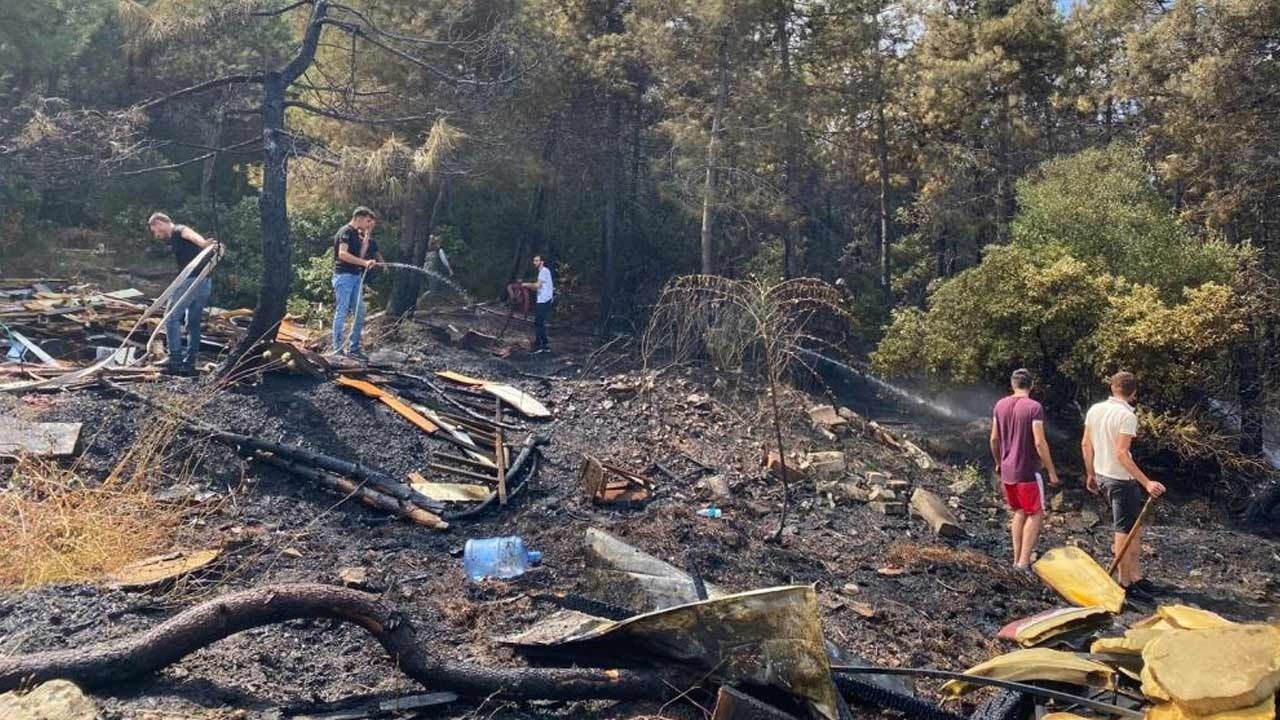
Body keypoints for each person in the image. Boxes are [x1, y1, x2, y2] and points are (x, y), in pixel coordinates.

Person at [1082, 371, 1166, 597]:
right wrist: (1147, 482)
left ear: (1112, 387)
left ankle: (1136, 576)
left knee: (1134, 528)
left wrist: (1090, 474)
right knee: (1124, 530)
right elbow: (1121, 453)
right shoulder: (1127, 416)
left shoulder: (1095, 410)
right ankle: (1124, 582)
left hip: (1103, 474)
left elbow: (1085, 444)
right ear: (1134, 393)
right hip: (1120, 479)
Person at [990, 368, 1061, 570]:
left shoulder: (1000, 405)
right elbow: (1039, 442)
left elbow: (994, 438)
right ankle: (1023, 562)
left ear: (1013, 384)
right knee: (1035, 513)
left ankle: (1016, 559)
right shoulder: (1034, 408)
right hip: (1028, 470)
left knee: (1019, 512)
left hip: (1007, 471)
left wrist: (998, 461)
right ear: (1032, 385)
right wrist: (1052, 471)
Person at [148, 213, 218, 375]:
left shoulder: (178, 230)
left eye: (155, 231)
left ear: (159, 223)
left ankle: (175, 360)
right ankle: (190, 362)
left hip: (191, 280)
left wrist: (203, 243)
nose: (156, 235)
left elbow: (189, 233)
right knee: (192, 323)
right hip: (205, 282)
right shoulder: (174, 238)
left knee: (171, 317)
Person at [331, 206, 382, 360]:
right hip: (344, 277)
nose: (368, 224)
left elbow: (360, 254)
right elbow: (342, 254)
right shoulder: (345, 231)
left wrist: (368, 234)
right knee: (342, 312)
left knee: (359, 312)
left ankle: (354, 348)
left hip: (355, 277)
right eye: (367, 221)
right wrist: (363, 262)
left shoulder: (356, 234)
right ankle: (337, 349)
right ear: (359, 217)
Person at [521, 255, 554, 353]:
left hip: (544, 300)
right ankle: (544, 344)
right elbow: (537, 287)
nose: (534, 262)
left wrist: (525, 284)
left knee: (539, 322)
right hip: (543, 300)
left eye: (536, 260)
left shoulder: (543, 271)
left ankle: (540, 345)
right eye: (534, 260)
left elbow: (538, 285)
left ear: (542, 262)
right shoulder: (543, 272)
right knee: (539, 322)